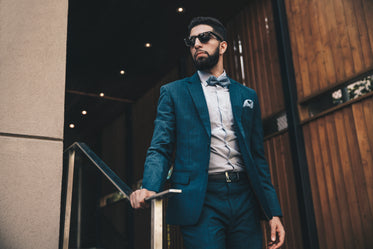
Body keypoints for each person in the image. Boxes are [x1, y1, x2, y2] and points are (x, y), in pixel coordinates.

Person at [130, 16, 285, 249]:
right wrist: (150, 186)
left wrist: (273, 212)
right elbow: (161, 147)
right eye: (191, 41)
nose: (197, 45)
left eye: (204, 38)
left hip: (245, 198)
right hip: (200, 200)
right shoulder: (173, 93)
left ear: (223, 46)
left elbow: (257, 158)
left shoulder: (247, 96)